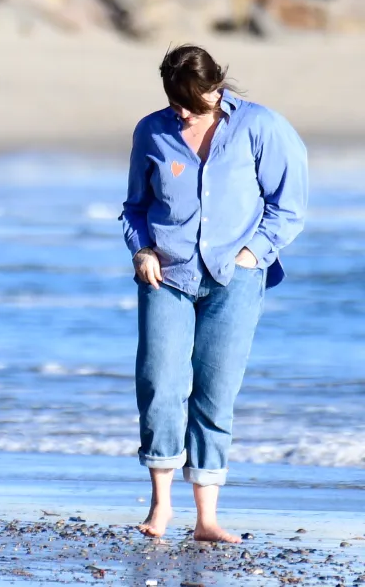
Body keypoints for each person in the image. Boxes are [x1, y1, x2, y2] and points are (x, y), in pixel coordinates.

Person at [120, 44, 308, 542]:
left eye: (190, 102)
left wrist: (253, 255)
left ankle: (207, 518)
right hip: (166, 276)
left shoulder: (262, 128)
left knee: (215, 392)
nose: (181, 112)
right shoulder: (151, 131)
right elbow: (135, 207)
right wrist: (142, 251)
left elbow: (288, 206)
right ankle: (160, 507)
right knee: (159, 383)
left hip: (237, 279)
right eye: (174, 101)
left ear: (214, 88)